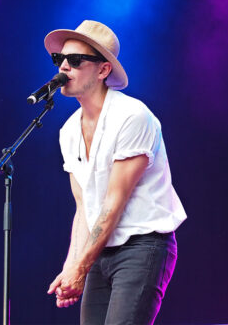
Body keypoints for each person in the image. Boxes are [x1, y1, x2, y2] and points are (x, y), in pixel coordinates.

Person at [45, 20, 187, 324]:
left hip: (142, 245)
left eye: (75, 60)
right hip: (101, 251)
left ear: (103, 70)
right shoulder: (68, 131)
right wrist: (72, 265)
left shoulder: (132, 117)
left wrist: (80, 268)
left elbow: (113, 204)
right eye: (60, 59)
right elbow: (85, 208)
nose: (64, 67)